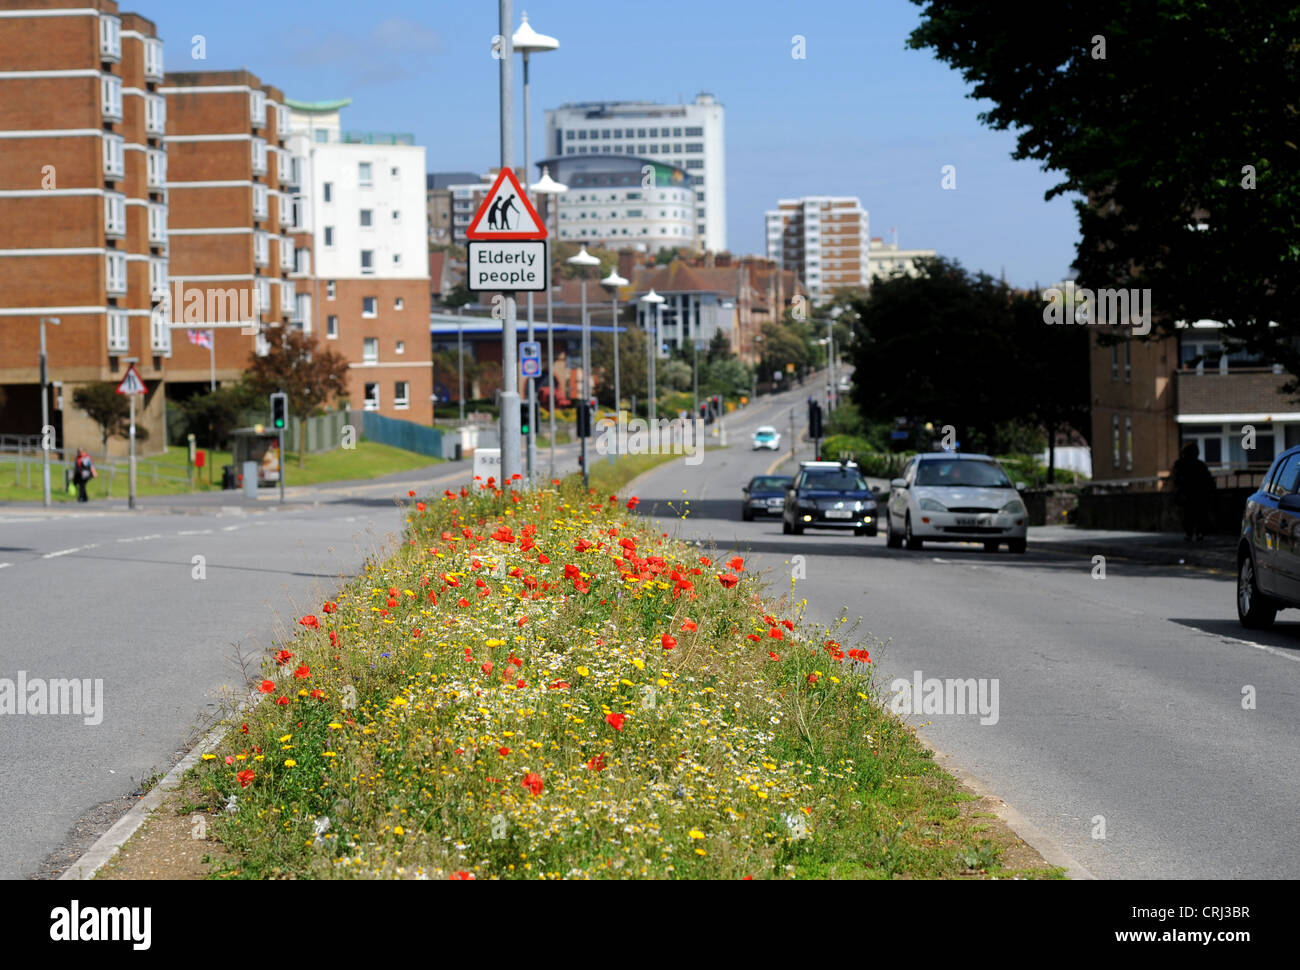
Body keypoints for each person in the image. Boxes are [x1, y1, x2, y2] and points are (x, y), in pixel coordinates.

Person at [1171, 442, 1214, 540]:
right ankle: (1199, 532)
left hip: (1188, 493)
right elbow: (1208, 480)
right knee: (1199, 514)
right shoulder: (1200, 465)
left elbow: (1176, 479)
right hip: (1199, 494)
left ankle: (1189, 533)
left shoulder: (1180, 464)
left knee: (1188, 514)